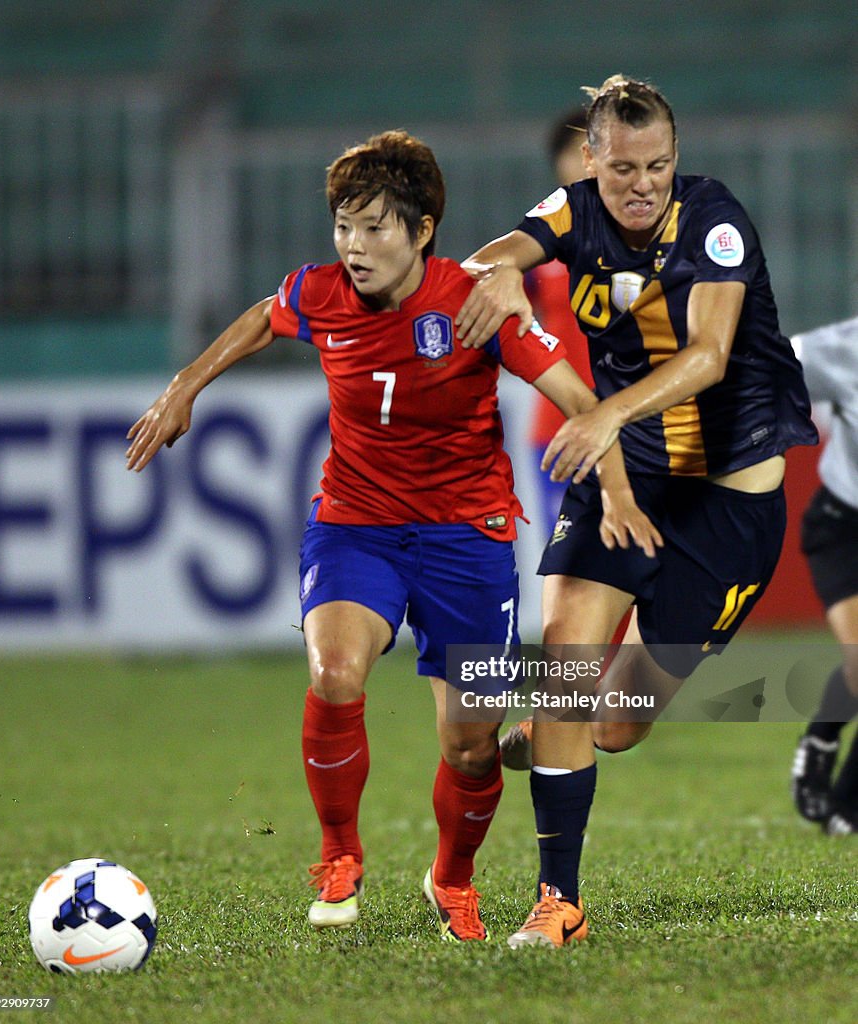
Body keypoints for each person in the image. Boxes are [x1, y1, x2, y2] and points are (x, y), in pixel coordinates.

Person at [125, 130, 660, 942]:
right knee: (335, 671)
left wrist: (615, 490)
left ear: (423, 229)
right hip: (356, 525)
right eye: (344, 226)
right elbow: (262, 319)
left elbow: (582, 399)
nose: (354, 246)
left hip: (467, 540)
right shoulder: (320, 291)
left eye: (375, 227)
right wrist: (182, 388)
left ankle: (452, 877)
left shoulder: (476, 302)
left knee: (474, 744)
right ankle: (339, 852)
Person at [455, 75, 819, 949]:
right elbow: (490, 256)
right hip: (625, 479)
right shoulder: (574, 207)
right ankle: (559, 901)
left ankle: (556, 730)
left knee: (615, 723)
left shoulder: (714, 221)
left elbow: (710, 353)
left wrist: (607, 410)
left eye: (658, 166)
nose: (642, 185)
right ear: (592, 160)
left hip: (728, 506)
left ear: (676, 160)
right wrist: (499, 275)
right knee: (570, 663)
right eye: (622, 170)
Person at [789, 316, 858, 835]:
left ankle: (844, 809)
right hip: (844, 527)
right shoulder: (840, 348)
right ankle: (824, 741)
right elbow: (752, 371)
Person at [527, 109, 594, 536]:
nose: (586, 158)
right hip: (559, 426)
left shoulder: (645, 234)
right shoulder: (538, 241)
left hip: (629, 420)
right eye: (575, 150)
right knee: (570, 563)